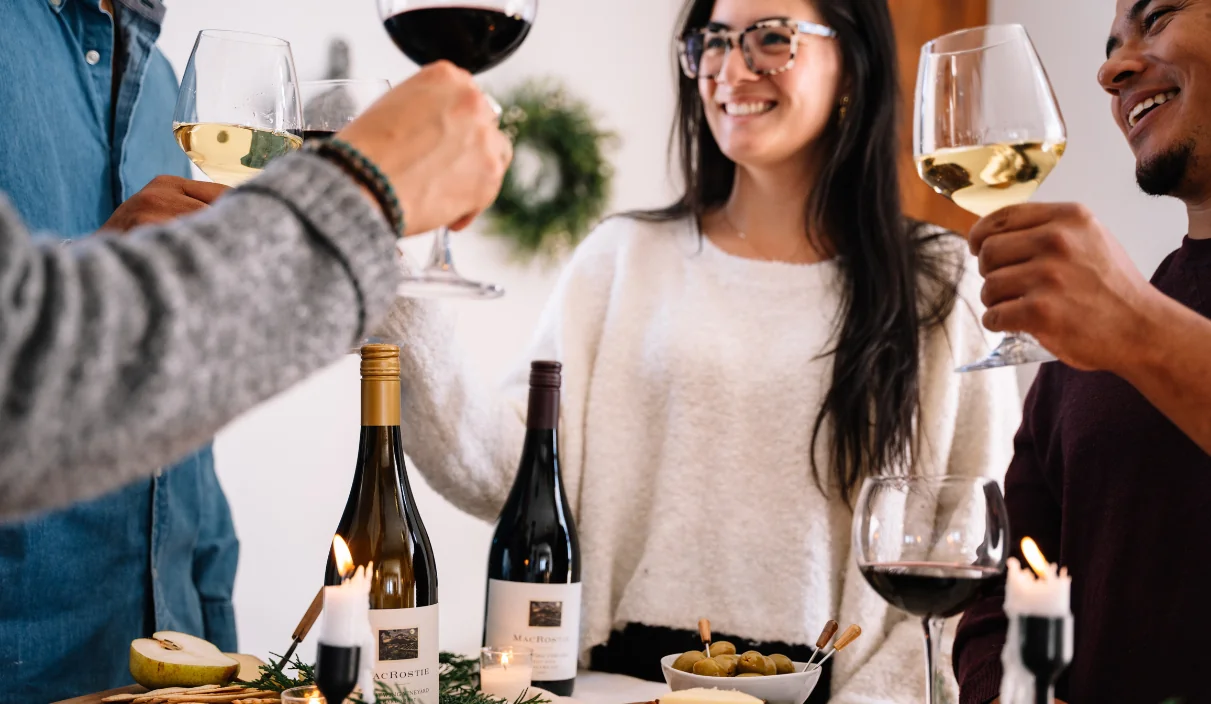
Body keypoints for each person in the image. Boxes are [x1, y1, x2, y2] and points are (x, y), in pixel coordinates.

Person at [370, 0, 1019, 701]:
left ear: (854, 68)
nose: (730, 69)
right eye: (712, 40)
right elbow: (511, 474)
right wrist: (381, 270)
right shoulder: (622, 258)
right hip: (619, 686)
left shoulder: (939, 281)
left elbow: (973, 541)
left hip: (830, 690)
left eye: (771, 38)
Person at [0, 58, 510, 703]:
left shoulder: (158, 78)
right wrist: (352, 199)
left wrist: (212, 603)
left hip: (186, 653)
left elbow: (181, 408)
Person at [953, 1, 1211, 702]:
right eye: (1110, 45)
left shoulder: (1119, 322)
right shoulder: (1086, 348)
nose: (1110, 70)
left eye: (1157, 18)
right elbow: (1000, 593)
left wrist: (1134, 326)